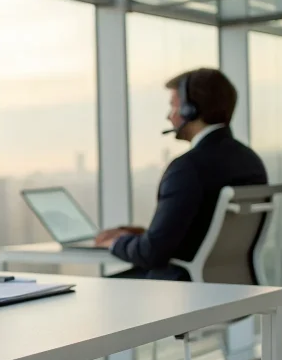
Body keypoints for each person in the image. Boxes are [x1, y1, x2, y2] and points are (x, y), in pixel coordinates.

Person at [95, 68, 268, 280]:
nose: (169, 116)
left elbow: (152, 253)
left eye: (173, 106)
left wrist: (115, 242)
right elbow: (202, 232)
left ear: (190, 110)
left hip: (183, 289)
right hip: (233, 288)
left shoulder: (187, 168)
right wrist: (145, 235)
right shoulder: (251, 161)